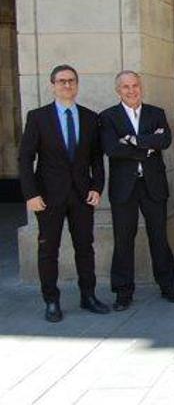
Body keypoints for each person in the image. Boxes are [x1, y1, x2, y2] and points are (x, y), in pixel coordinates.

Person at [19, 64, 108, 322]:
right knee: (49, 250)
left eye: (71, 81)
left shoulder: (91, 118)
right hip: (48, 196)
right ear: (53, 85)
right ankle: (51, 301)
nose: (67, 85)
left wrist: (96, 187)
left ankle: (88, 296)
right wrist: (30, 194)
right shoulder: (38, 117)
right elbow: (26, 158)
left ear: (77, 85)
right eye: (61, 81)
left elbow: (96, 158)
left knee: (85, 247)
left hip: (82, 195)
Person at [99, 70, 174, 311]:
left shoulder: (156, 113)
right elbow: (112, 149)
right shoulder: (108, 117)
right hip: (124, 188)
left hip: (153, 185)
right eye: (126, 87)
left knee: (159, 237)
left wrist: (132, 140)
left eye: (135, 85)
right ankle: (123, 292)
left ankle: (169, 287)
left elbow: (164, 141)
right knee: (123, 240)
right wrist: (147, 145)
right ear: (118, 90)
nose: (132, 90)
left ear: (141, 87)